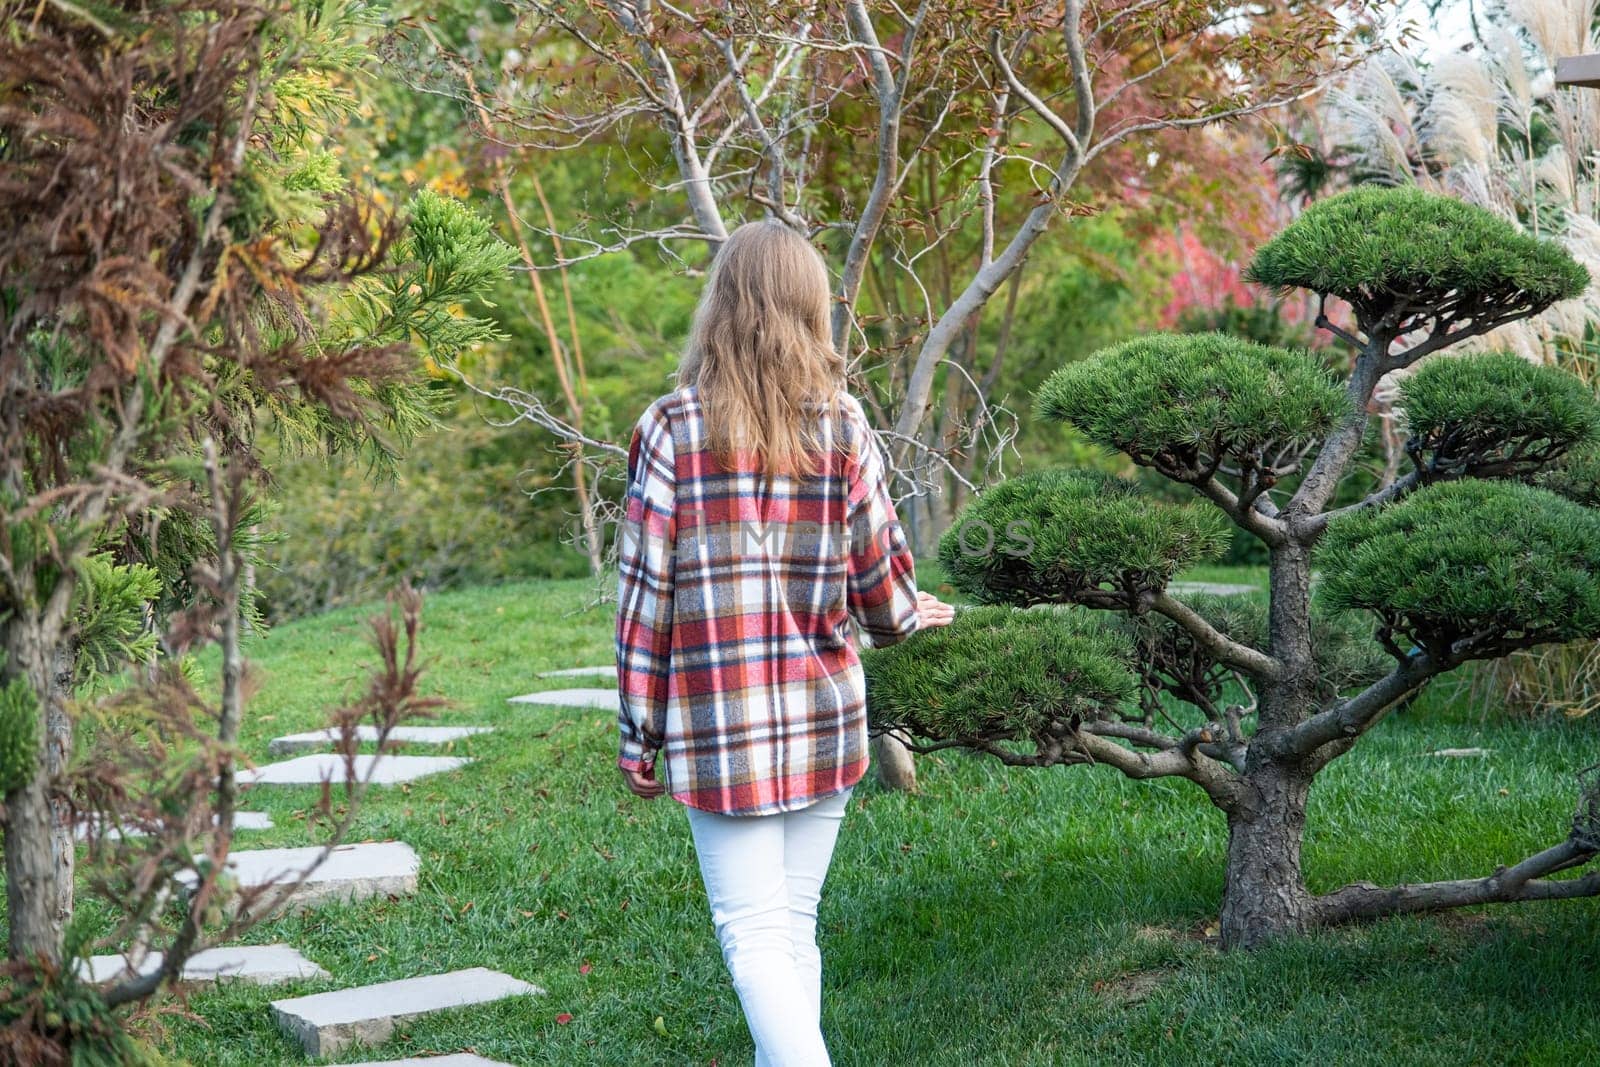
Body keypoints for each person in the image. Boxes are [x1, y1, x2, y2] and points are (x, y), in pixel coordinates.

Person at [614, 218, 954, 1067]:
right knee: (788, 930)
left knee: (757, 934)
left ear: (720, 305)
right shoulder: (843, 424)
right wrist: (913, 610)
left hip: (718, 730)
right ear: (811, 308)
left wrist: (638, 731)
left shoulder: (670, 429)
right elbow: (880, 582)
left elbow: (644, 597)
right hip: (823, 715)